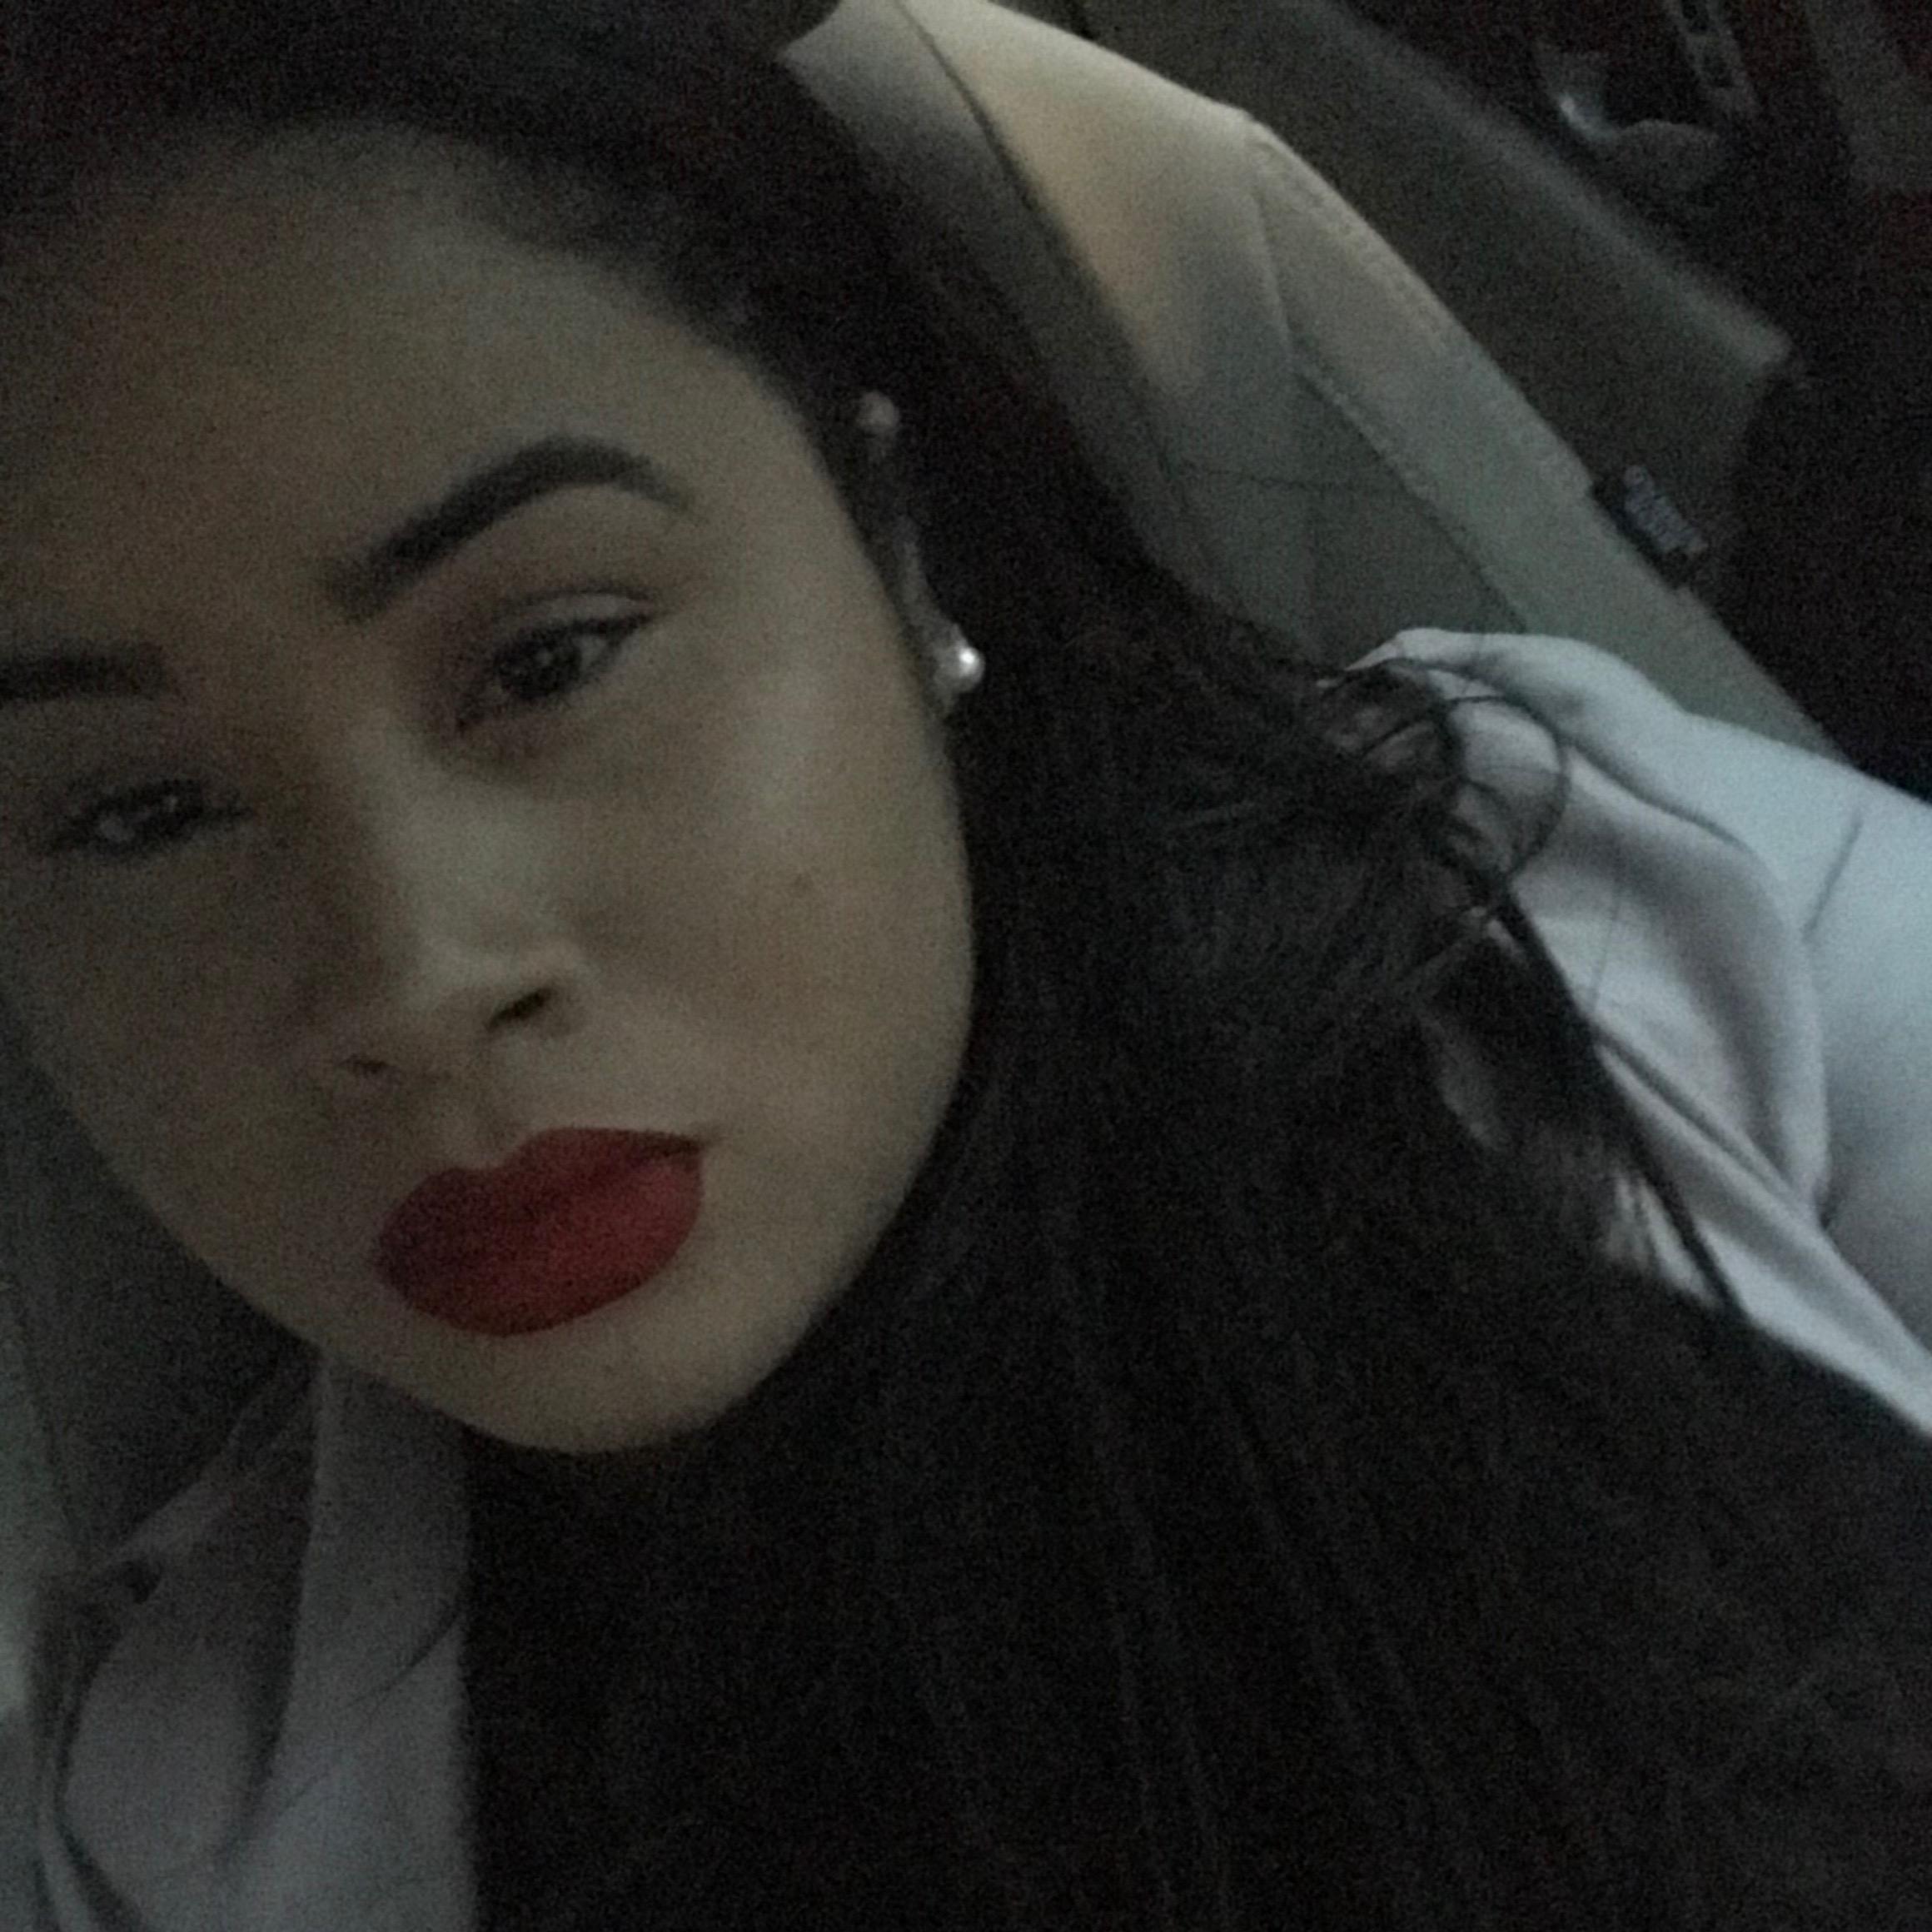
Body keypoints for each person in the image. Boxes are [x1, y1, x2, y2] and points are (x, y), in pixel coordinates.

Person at [2, 2, 1929, 1927]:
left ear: (895, 548)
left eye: (549, 659)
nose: (415, 978)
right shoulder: (165, 1823)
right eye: (139, 812)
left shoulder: (1604, 906)